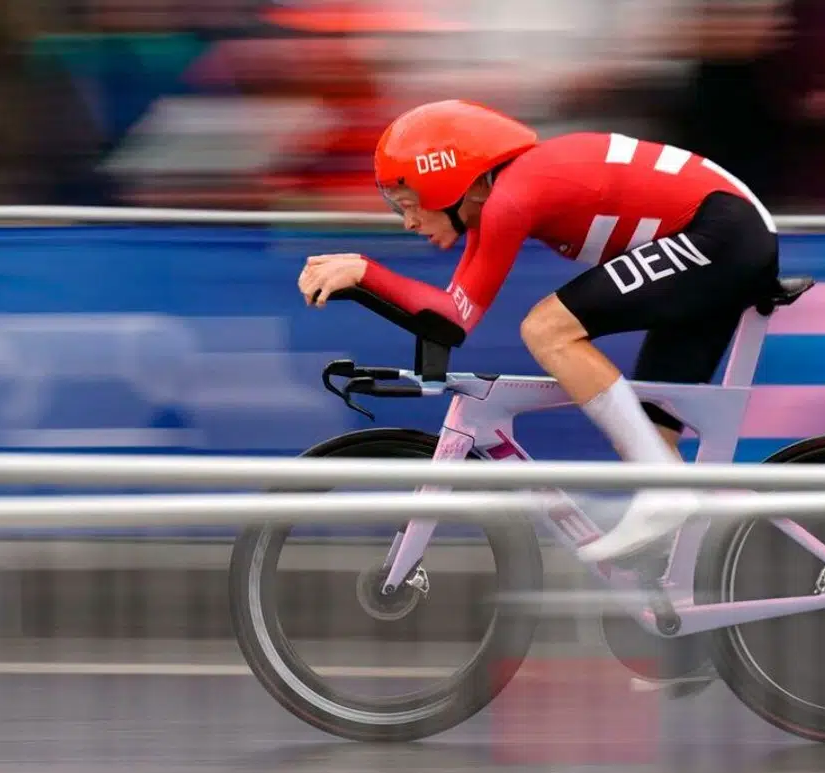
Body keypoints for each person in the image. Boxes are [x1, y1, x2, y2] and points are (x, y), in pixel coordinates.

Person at [297, 99, 781, 563]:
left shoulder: (513, 196)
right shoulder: (505, 196)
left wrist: (364, 271)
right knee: (652, 443)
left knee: (548, 329)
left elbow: (452, 320)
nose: (407, 221)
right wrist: (362, 281)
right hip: (720, 235)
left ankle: (665, 494)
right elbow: (449, 314)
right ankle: (678, 581)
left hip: (723, 234)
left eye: (409, 203)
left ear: (448, 183)